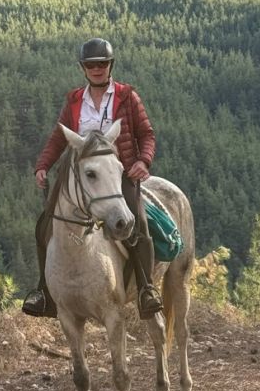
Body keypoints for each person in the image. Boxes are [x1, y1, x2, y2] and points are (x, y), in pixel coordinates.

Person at [21, 37, 163, 319]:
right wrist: (43, 165)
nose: (97, 69)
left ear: (110, 66)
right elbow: (58, 138)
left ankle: (147, 289)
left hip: (116, 172)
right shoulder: (74, 100)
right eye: (91, 65)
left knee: (137, 222)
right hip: (79, 175)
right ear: (83, 68)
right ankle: (44, 292)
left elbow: (146, 135)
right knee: (44, 224)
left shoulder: (126, 96)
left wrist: (142, 162)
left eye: (102, 64)